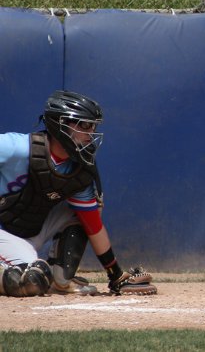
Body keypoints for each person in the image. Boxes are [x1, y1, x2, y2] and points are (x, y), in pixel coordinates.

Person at [0, 90, 154, 297]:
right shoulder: (16, 148)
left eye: (93, 126)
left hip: (27, 235)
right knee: (32, 279)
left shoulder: (77, 171)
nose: (91, 133)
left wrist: (115, 275)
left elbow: (93, 226)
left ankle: (61, 280)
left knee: (83, 214)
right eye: (84, 125)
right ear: (60, 124)